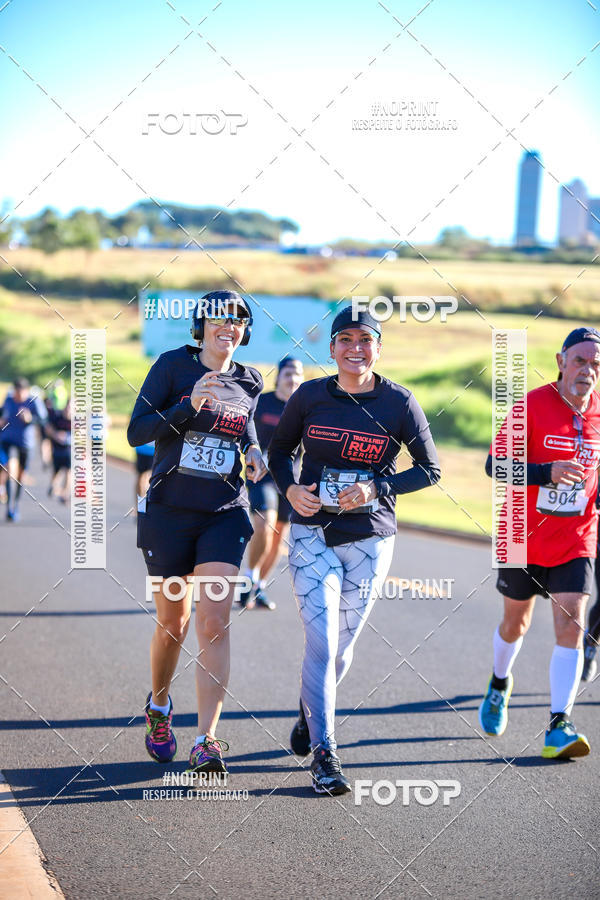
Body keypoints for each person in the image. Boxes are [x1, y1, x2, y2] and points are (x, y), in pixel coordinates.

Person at [269, 305, 441, 795]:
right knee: (322, 644)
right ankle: (325, 754)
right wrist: (290, 489)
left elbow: (429, 469)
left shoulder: (399, 402)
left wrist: (377, 487)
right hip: (312, 533)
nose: (355, 348)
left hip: (370, 540)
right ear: (331, 348)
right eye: (345, 339)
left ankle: (309, 711)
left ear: (378, 348)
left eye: (365, 340)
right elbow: (279, 451)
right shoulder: (309, 396)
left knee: (341, 648)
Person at [127, 290, 266, 775]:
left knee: (213, 622)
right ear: (201, 325)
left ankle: (206, 740)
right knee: (174, 623)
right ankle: (159, 705)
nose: (229, 327)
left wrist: (254, 450)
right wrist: (188, 405)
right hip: (169, 514)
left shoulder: (250, 379)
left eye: (238, 320)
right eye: (219, 318)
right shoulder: (172, 366)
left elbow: (245, 426)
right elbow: (136, 432)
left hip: (223, 513)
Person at [479, 327, 600, 759]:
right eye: (580, 360)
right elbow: (494, 466)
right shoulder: (531, 405)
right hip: (521, 534)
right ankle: (499, 682)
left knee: (571, 625)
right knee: (516, 624)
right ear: (561, 362)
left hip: (576, 537)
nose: (588, 370)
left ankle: (559, 725)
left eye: (596, 364)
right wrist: (545, 472)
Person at [240, 356, 304, 610]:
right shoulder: (262, 402)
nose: (293, 379)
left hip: (289, 481)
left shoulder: (305, 409)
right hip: (262, 476)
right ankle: (249, 577)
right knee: (264, 523)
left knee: (279, 537)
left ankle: (258, 587)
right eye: (288, 373)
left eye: (297, 374)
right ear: (278, 377)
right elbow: (244, 433)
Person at [0, 377, 47, 521]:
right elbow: (2, 412)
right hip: (7, 439)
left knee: (20, 475)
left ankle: (15, 504)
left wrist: (30, 419)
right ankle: (9, 507)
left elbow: (43, 420)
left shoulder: (34, 402)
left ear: (26, 391)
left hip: (25, 443)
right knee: (8, 469)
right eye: (16, 392)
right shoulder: (9, 400)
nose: (18, 396)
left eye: (21, 393)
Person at [46, 398, 72, 503]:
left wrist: (68, 437)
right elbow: (48, 428)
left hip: (69, 450)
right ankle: (53, 485)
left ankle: (65, 494)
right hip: (57, 450)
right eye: (69, 406)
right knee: (56, 471)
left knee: (68, 472)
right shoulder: (57, 417)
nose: (69, 408)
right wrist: (56, 435)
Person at [134, 440, 155, 514]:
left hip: (151, 450)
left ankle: (141, 508)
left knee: (144, 478)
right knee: (143, 479)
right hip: (143, 448)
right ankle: (141, 508)